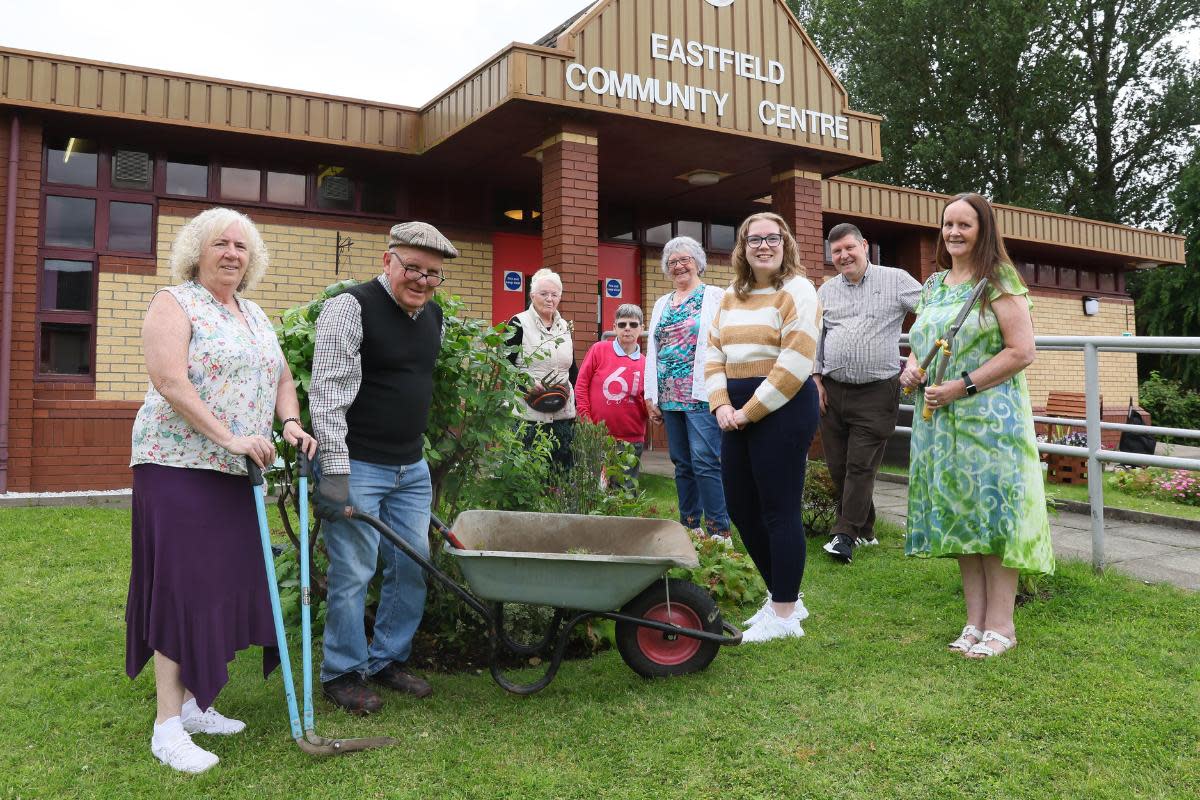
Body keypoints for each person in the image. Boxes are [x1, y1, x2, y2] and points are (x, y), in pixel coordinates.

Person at [126, 207, 318, 774]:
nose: (232, 253)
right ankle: (167, 726)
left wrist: (288, 423)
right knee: (181, 588)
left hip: (237, 471)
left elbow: (282, 376)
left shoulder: (254, 314)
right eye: (220, 244)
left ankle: (195, 702)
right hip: (177, 464)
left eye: (241, 245)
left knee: (219, 586)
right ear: (197, 251)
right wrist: (230, 436)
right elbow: (169, 380)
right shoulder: (173, 302)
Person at [310, 221, 458, 712]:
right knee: (354, 572)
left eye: (432, 273)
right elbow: (327, 396)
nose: (421, 280)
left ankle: (387, 659)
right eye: (411, 267)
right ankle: (343, 672)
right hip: (358, 466)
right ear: (386, 261)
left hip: (410, 469)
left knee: (411, 564)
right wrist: (333, 471)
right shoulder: (350, 308)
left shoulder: (432, 316)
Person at [900, 192, 1053, 658]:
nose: (954, 232)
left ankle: (1001, 626)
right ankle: (974, 622)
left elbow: (1021, 351)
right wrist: (912, 367)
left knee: (994, 518)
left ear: (983, 229)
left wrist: (961, 387)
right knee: (963, 518)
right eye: (948, 224)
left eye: (964, 225)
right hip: (941, 424)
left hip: (989, 421)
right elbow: (925, 340)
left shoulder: (998, 281)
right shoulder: (935, 285)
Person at [706, 212, 822, 643]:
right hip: (733, 412)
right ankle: (782, 594)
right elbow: (713, 352)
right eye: (755, 240)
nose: (764, 246)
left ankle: (786, 612)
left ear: (785, 243)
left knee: (778, 509)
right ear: (743, 247)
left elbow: (795, 361)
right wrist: (720, 405)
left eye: (773, 238)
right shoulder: (730, 296)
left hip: (784, 408)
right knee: (740, 507)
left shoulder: (798, 290)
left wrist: (748, 411)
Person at [814, 223, 922, 564]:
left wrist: (917, 358)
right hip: (832, 390)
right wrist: (816, 378)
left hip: (877, 391)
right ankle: (866, 530)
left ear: (863, 245)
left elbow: (934, 314)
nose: (844, 255)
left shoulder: (896, 279)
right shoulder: (826, 291)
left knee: (861, 466)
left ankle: (843, 536)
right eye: (836, 252)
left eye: (849, 248)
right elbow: (816, 337)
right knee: (839, 468)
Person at [643, 236, 732, 543]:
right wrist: (650, 394)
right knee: (681, 462)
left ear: (698, 263)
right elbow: (653, 349)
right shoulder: (661, 303)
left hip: (701, 393)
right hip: (669, 396)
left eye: (685, 260)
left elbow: (726, 341)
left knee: (706, 460)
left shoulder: (715, 296)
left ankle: (719, 530)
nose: (679, 266)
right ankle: (690, 526)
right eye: (672, 262)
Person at [505, 268, 577, 469]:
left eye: (555, 294)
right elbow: (504, 366)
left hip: (563, 414)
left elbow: (572, 370)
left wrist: (577, 405)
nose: (550, 299)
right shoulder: (518, 323)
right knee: (527, 472)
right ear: (532, 296)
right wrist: (525, 382)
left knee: (561, 473)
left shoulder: (565, 327)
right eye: (544, 294)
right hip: (527, 415)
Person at [575, 303, 650, 485]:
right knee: (594, 488)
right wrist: (587, 423)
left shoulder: (645, 363)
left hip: (631, 439)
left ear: (641, 328)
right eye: (622, 324)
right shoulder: (599, 350)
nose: (627, 329)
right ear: (614, 327)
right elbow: (581, 385)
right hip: (598, 435)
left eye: (633, 325)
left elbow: (648, 403)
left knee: (624, 490)